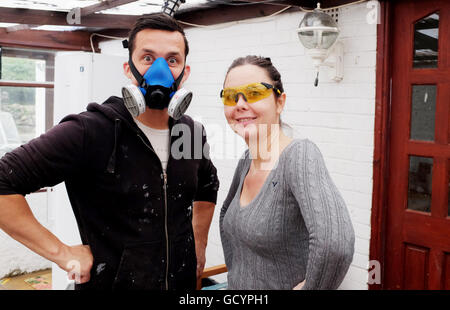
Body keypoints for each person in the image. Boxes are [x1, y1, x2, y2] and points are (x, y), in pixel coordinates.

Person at [0, 13, 219, 290]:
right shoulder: (90, 131)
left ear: (185, 72)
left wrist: (198, 246)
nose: (160, 71)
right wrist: (62, 253)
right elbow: (3, 181)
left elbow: (208, 185)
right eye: (148, 58)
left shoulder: (189, 131)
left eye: (172, 60)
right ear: (129, 68)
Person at [219, 55, 354, 290]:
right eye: (231, 96)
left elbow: (336, 245)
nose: (239, 104)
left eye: (253, 93)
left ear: (279, 103)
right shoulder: (246, 162)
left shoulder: (298, 155)